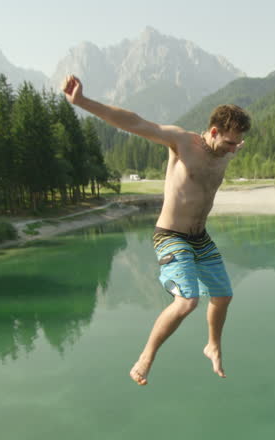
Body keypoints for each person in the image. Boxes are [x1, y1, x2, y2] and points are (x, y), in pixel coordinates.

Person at [61, 75, 251, 386]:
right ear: (213, 132)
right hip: (171, 235)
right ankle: (147, 355)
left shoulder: (226, 149)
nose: (233, 150)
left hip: (199, 237)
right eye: (229, 143)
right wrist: (83, 102)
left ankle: (212, 345)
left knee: (223, 295)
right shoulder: (182, 143)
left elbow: (231, 147)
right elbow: (133, 122)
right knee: (187, 301)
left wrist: (232, 146)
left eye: (237, 144)